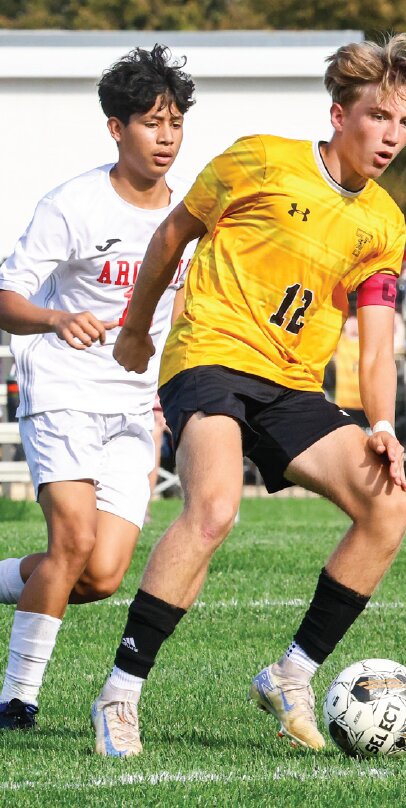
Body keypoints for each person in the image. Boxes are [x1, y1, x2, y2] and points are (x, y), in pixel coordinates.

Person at [91, 33, 406, 757]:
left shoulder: (385, 223)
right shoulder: (259, 159)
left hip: (290, 382)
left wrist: (379, 422)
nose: (392, 137)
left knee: (391, 499)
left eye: (405, 124)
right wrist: (134, 329)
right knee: (214, 507)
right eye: (380, 117)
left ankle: (291, 673)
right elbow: (170, 237)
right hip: (210, 355)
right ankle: (119, 694)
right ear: (340, 113)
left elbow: (377, 341)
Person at [0, 44, 196, 730]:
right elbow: (6, 296)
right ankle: (16, 700)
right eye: (151, 122)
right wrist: (56, 317)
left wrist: (173, 397)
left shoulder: (192, 219)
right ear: (117, 127)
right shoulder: (73, 204)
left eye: (175, 122)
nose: (166, 136)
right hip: (60, 390)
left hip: (135, 405)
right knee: (73, 543)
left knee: (102, 575)